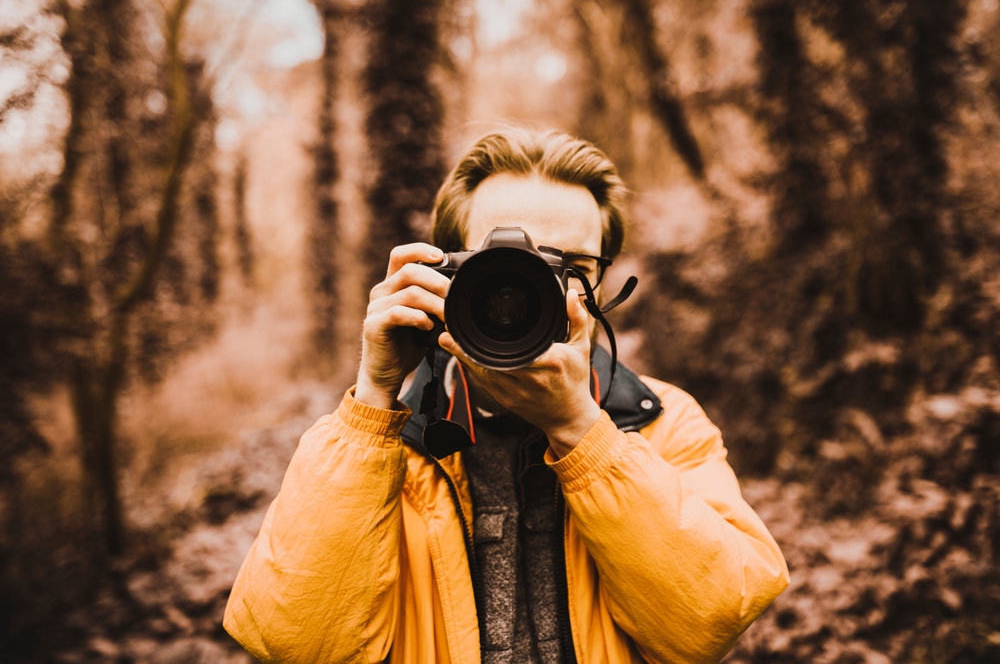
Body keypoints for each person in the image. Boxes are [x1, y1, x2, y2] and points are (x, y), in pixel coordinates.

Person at [224, 130, 789, 664]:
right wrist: (375, 397)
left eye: (571, 267)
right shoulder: (380, 442)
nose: (534, 289)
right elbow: (296, 645)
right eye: (502, 267)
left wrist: (581, 430)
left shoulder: (665, 422)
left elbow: (713, 621)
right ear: (443, 273)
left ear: (602, 283)